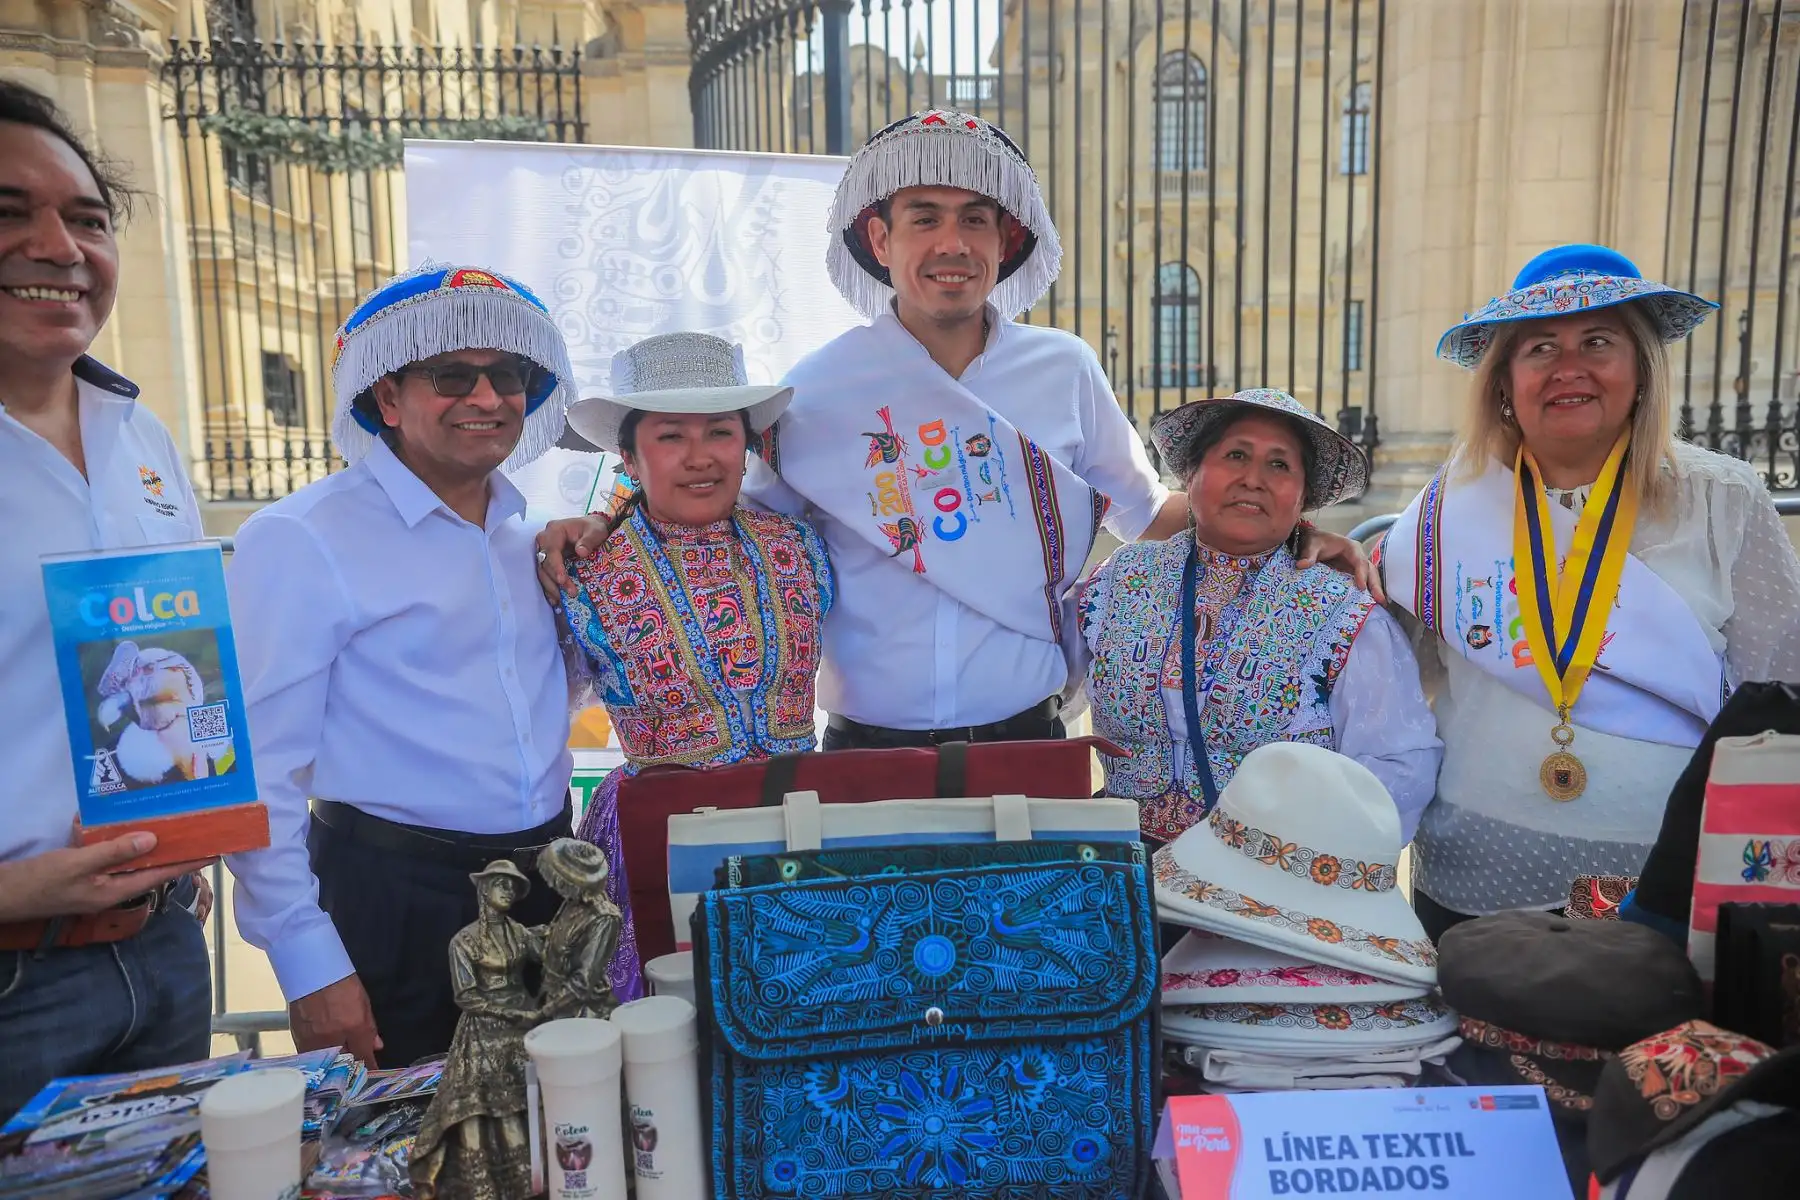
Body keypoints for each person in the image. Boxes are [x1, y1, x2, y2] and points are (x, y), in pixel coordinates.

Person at [537, 108, 1374, 750]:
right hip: (863, 747)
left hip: (1025, 731)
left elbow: (1148, 516)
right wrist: (603, 516)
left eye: (976, 219)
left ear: (1006, 243)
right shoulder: (821, 386)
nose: (951, 243)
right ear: (880, 237)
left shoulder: (1064, 368)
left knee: (1025, 974)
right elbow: (715, 500)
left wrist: (1291, 526)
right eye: (924, 216)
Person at [1378, 244, 1800, 941]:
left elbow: (1778, 691)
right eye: (1540, 346)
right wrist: (1333, 564)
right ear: (1504, 384)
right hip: (1475, 875)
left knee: (1632, 1052)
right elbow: (1398, 668)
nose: (1568, 367)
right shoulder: (1446, 509)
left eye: (1598, 342)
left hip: (1663, 881)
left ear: (1640, 371)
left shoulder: (1724, 498)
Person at [225, 261, 579, 1068]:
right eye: (452, 375)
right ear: (387, 399)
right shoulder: (303, 537)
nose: (487, 399)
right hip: (395, 900)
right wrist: (308, 963)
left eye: (509, 375)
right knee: (412, 1163)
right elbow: (257, 771)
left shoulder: (529, 535)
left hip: (547, 888)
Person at [0, 78, 214, 1116]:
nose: (58, 246)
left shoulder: (144, 440)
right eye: (11, 213)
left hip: (167, 950)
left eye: (86, 219)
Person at [556, 331, 832, 986]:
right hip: (660, 837)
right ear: (628, 453)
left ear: (749, 445)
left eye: (719, 433)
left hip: (799, 829)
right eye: (671, 436)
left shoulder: (800, 544)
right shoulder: (583, 571)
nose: (700, 458)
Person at [1075, 388, 1441, 845]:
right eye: (1235, 454)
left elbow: (1396, 767)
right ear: (1190, 476)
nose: (1253, 478)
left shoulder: (1341, 614)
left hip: (1265, 891)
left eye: (1279, 465)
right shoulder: (1117, 584)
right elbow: (1049, 686)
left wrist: (1303, 868)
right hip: (1118, 876)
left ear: (1303, 496)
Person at [408, 860, 541, 1200]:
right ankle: (486, 1184)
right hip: (483, 1028)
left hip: (524, 1021)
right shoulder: (464, 941)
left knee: (532, 1097)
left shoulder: (519, 933)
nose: (508, 890)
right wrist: (501, 1010)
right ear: (484, 889)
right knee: (479, 1105)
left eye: (512, 885)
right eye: (501, 883)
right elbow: (465, 995)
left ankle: (535, 1176)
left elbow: (549, 954)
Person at [536, 838, 623, 1022]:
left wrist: (546, 1011)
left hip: (582, 1013)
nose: (553, 884)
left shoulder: (604, 918)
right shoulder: (572, 903)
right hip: (555, 997)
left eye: (559, 879)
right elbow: (557, 933)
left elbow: (583, 982)